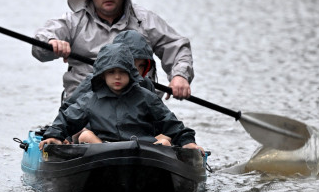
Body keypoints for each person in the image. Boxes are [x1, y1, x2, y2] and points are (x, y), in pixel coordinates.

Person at [32, 0, 193, 101]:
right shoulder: (72, 22)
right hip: (84, 106)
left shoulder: (145, 20)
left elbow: (177, 47)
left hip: (137, 107)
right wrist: (52, 42)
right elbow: (40, 45)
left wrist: (180, 76)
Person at [39, 43, 204, 153]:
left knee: (164, 143)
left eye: (122, 72)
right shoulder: (90, 99)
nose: (117, 77)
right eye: (111, 72)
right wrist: (54, 135)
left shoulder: (146, 97)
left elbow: (170, 123)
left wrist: (187, 142)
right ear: (102, 75)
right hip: (104, 150)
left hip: (142, 151)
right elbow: (67, 119)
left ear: (130, 73)